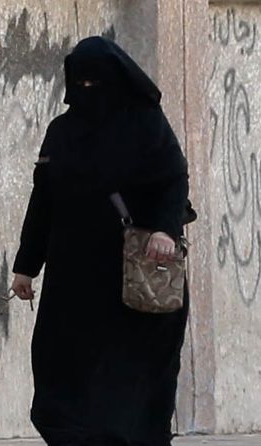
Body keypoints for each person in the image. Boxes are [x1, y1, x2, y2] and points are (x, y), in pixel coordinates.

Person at [11, 36, 192, 446]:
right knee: (61, 367)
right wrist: (26, 265)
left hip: (134, 275)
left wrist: (165, 229)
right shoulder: (62, 131)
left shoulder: (146, 123)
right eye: (80, 82)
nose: (86, 91)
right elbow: (43, 199)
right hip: (72, 276)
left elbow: (173, 180)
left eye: (96, 83)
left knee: (131, 373)